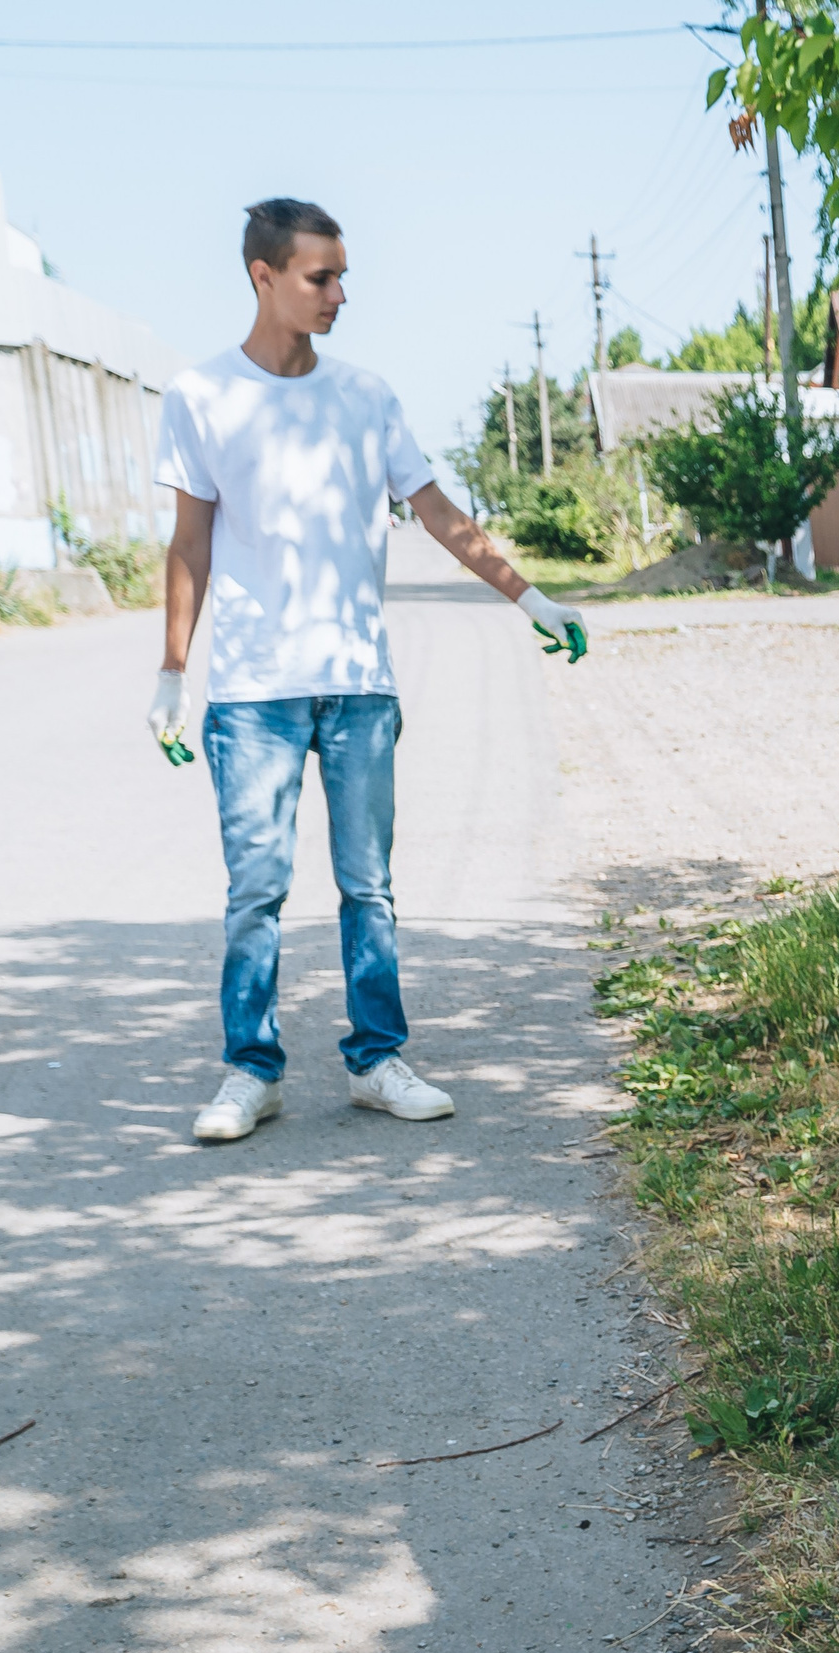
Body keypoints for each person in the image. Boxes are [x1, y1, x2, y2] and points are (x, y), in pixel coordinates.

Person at [150, 198, 587, 1144]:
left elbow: (437, 512)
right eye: (320, 277)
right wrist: (171, 673)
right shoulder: (201, 398)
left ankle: (377, 1059)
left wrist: (532, 599)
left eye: (343, 275)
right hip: (254, 694)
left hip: (359, 684)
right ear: (263, 277)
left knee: (368, 885)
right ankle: (249, 1071)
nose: (339, 294)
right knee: (255, 890)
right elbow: (191, 544)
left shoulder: (366, 396)